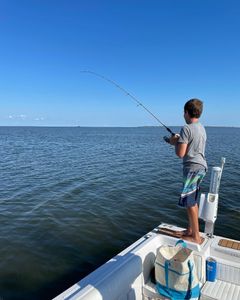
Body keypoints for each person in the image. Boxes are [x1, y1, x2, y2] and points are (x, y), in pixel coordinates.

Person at [169, 98, 207, 244]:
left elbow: (180, 153)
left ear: (186, 112)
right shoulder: (201, 127)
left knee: (190, 203)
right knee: (193, 200)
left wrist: (174, 142)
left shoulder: (186, 128)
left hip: (192, 168)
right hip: (201, 167)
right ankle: (191, 230)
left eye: (183, 112)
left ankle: (196, 237)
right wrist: (177, 141)